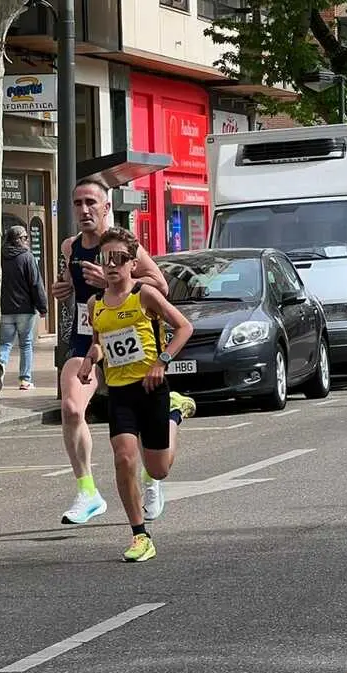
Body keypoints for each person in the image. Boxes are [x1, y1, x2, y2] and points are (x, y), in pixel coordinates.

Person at [50, 178, 173, 525]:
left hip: (129, 345)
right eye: (77, 203)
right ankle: (87, 491)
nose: (84, 209)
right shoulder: (70, 247)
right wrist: (64, 287)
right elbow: (72, 285)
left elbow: (160, 285)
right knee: (72, 407)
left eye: (91, 202)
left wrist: (114, 283)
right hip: (87, 339)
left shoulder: (121, 246)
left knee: (146, 441)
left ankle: (151, 480)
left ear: (106, 207)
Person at [77, 227, 196, 562]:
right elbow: (99, 344)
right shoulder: (95, 304)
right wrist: (89, 361)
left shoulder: (145, 295)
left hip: (152, 388)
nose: (112, 265)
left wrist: (162, 361)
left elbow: (185, 327)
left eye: (120, 259)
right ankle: (140, 535)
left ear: (133, 265)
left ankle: (175, 413)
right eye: (106, 259)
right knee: (124, 457)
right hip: (120, 393)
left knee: (158, 470)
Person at [0, 225, 47, 391]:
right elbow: (35, 283)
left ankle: (0, 363)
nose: (27, 240)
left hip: (5, 309)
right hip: (25, 309)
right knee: (26, 344)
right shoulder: (27, 257)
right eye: (25, 237)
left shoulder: (0, 257)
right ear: (19, 239)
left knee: (5, 343)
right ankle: (25, 380)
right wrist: (42, 307)